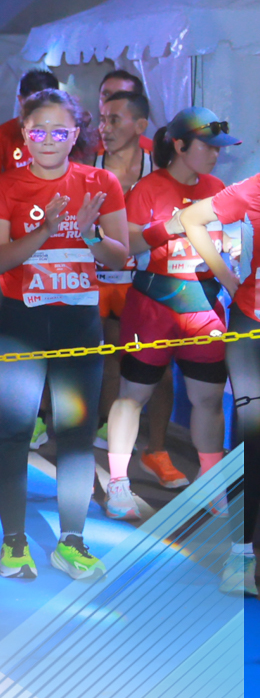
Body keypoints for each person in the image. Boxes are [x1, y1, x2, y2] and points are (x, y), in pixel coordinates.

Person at [0, 88, 129, 581]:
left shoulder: (100, 181)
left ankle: (72, 540)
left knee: (77, 434)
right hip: (20, 326)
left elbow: (119, 257)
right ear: (23, 134)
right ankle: (14, 541)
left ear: (75, 134)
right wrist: (46, 230)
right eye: (38, 130)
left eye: (59, 130)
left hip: (78, 324)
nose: (48, 139)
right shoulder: (3, 185)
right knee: (14, 430)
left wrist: (88, 235)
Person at [105, 109, 240, 500]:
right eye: (207, 147)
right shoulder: (147, 188)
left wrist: (231, 248)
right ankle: (118, 481)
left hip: (204, 306)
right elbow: (126, 245)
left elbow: (228, 238)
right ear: (179, 146)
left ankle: (211, 484)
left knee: (208, 398)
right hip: (152, 305)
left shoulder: (217, 187)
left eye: (218, 148)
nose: (215, 155)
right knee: (133, 395)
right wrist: (170, 227)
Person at [176, 167, 259, 593]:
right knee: (252, 441)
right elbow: (190, 218)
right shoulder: (256, 188)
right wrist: (228, 277)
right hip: (251, 329)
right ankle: (239, 558)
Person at [94, 89, 158, 451]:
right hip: (91, 280)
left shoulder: (157, 168)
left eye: (114, 119)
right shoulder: (88, 166)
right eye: (102, 119)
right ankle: (57, 423)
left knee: (129, 360)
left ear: (140, 125)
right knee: (78, 357)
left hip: (138, 282)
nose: (104, 127)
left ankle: (113, 430)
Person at [0, 68, 62, 182]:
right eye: (34, 105)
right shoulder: (3, 133)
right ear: (21, 100)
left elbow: (78, 174)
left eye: (46, 106)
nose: (40, 112)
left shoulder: (65, 132)